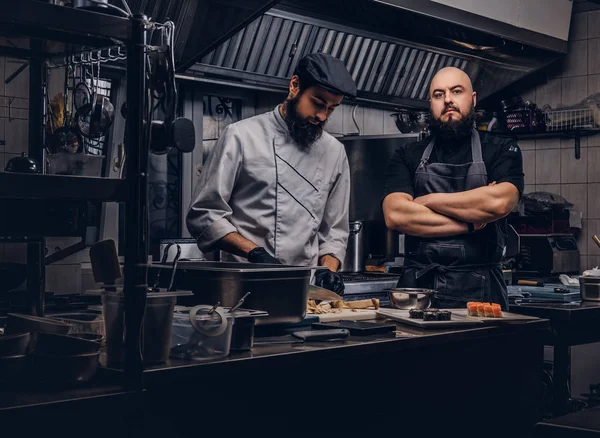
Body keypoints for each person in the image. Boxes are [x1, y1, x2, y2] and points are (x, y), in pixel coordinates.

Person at [186, 53, 357, 294]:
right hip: (241, 285)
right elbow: (204, 214)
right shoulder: (241, 136)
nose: (322, 116)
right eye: (318, 103)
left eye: (331, 109)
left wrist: (328, 270)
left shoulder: (334, 152)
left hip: (303, 292)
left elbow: (334, 231)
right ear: (295, 85)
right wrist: (255, 253)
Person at [382, 67, 524, 309]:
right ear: (431, 104)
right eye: (439, 94)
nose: (447, 99)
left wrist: (427, 201)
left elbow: (497, 203)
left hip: (482, 294)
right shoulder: (407, 154)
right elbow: (396, 215)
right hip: (417, 293)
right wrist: (470, 223)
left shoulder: (501, 149)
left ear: (473, 99)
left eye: (456, 91)